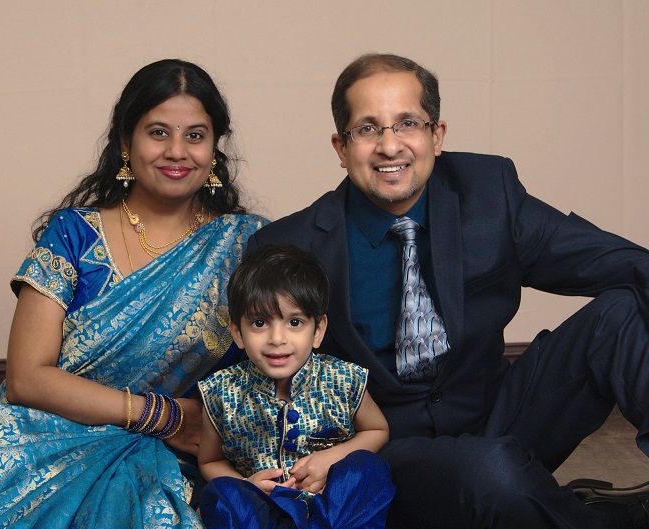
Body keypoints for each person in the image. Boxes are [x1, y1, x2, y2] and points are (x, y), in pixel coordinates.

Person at [0, 59, 268, 528]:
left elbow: (283, 354)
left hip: (180, 456)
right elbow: (28, 378)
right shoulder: (74, 234)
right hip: (47, 437)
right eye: (158, 132)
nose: (177, 151)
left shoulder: (246, 245)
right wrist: (161, 414)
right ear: (126, 143)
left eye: (195, 135)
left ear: (214, 149)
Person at [247, 53, 649, 529]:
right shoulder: (290, 246)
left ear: (436, 136)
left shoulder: (488, 193)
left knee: (621, 311)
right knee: (492, 474)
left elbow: (620, 263)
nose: (389, 146)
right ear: (340, 146)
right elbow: (247, 380)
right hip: (387, 451)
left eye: (407, 124)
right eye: (368, 129)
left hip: (500, 412)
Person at [196, 243, 395, 529]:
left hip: (329, 506)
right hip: (263, 512)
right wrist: (248, 485)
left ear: (318, 330)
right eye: (260, 322)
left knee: (367, 468)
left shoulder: (342, 379)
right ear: (237, 332)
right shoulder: (221, 392)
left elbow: (378, 429)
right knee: (221, 494)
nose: (277, 338)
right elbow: (208, 461)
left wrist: (330, 459)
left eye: (295, 322)